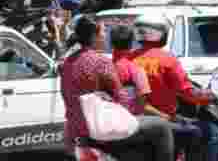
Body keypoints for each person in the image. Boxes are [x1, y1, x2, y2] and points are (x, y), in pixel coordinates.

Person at [59, 16, 175, 161]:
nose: (104, 36)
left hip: (74, 126)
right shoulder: (101, 61)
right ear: (94, 36)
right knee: (162, 126)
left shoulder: (67, 62)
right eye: (102, 32)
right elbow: (122, 99)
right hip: (98, 127)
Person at [129, 15, 218, 161]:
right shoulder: (167, 60)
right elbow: (187, 92)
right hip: (163, 119)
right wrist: (207, 96)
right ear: (159, 34)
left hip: (135, 118)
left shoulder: (128, 59)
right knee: (213, 132)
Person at [110, 24, 151, 116]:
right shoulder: (136, 69)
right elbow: (143, 103)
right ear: (130, 44)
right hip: (131, 121)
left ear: (111, 44)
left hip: (107, 121)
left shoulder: (103, 67)